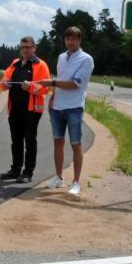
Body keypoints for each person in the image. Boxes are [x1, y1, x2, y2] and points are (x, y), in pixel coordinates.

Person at [39, 26, 94, 196]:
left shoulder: (86, 59)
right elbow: (61, 78)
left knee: (76, 144)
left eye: (73, 39)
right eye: (67, 39)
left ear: (79, 40)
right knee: (58, 142)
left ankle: (76, 182)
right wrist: (53, 97)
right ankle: (58, 177)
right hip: (58, 106)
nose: (70, 42)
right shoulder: (61, 57)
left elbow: (75, 84)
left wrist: (52, 83)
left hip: (74, 107)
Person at [0, 36, 51, 184]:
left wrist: (31, 87)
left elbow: (46, 88)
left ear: (34, 48)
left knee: (30, 141)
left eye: (28, 47)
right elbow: (3, 81)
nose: (25, 50)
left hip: (31, 111)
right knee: (16, 141)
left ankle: (28, 172)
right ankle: (15, 169)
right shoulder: (15, 63)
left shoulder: (41, 65)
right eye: (22, 47)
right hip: (14, 109)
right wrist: (5, 83)